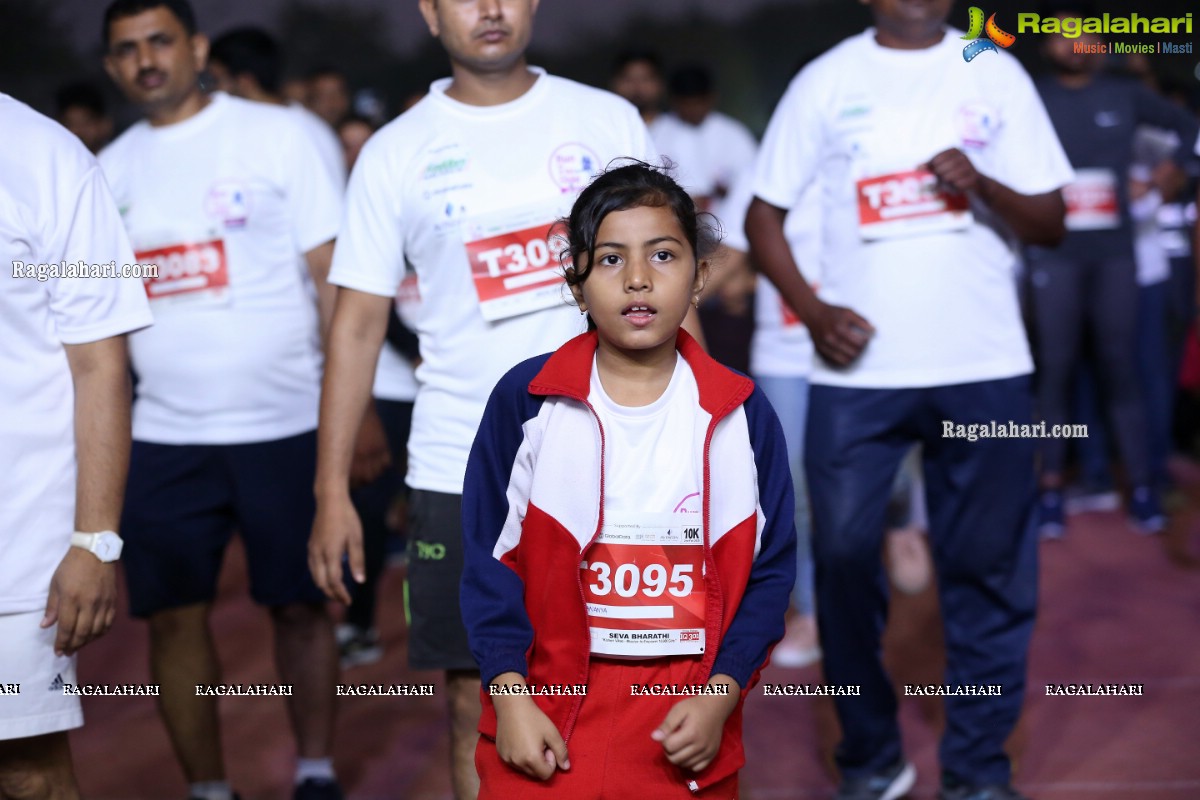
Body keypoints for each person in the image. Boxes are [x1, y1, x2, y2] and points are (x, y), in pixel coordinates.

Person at [306, 1, 670, 796]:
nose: (491, 9)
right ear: (431, 13)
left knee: (633, 690)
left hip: (624, 457)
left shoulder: (607, 121)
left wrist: (709, 435)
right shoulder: (395, 152)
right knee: (480, 697)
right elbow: (358, 323)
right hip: (461, 468)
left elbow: (674, 288)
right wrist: (332, 491)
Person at [745, 0, 1074, 798]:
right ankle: (871, 756)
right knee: (848, 563)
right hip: (858, 378)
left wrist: (983, 181)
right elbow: (763, 218)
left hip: (983, 362)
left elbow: (1053, 223)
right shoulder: (825, 81)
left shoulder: (989, 67)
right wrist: (816, 312)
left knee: (989, 572)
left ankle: (976, 770)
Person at [461, 160, 795, 799]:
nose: (638, 278)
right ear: (576, 283)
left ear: (699, 277)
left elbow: (771, 574)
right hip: (546, 710)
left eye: (663, 255)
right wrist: (511, 700)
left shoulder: (743, 413)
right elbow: (488, 563)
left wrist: (719, 699)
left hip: (682, 718)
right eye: (611, 259)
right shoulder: (527, 402)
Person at [98, 1, 345, 798]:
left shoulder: (282, 134)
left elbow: (331, 276)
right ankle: (208, 788)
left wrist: (359, 404)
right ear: (112, 67)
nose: (146, 61)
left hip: (288, 422)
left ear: (195, 47)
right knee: (172, 618)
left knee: (303, 609)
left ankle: (314, 770)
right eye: (127, 50)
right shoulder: (107, 170)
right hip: (164, 434)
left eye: (160, 41)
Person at [0, 92, 152, 800]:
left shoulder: (43, 154)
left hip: (15, 552)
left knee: (25, 770)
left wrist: (95, 542)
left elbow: (100, 363)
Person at [1027, 0, 1198, 536]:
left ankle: (1143, 487)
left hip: (1115, 257)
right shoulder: (1031, 97)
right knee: (1053, 371)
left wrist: (1168, 175)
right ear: (1047, 43)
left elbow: (1191, 131)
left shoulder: (1125, 94)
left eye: (1084, 35)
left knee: (1120, 368)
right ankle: (1050, 490)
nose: (1074, 45)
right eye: (1062, 35)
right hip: (1052, 255)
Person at [207, 27, 346, 185]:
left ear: (245, 82)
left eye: (216, 80)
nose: (212, 91)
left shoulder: (305, 134)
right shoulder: (228, 132)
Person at [609, 49, 666, 130]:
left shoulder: (684, 135)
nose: (637, 87)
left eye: (645, 79)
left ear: (660, 83)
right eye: (628, 80)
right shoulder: (601, 128)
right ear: (614, 83)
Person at [54, 81, 115, 154]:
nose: (77, 131)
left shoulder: (120, 160)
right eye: (68, 124)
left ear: (105, 125)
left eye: (85, 122)